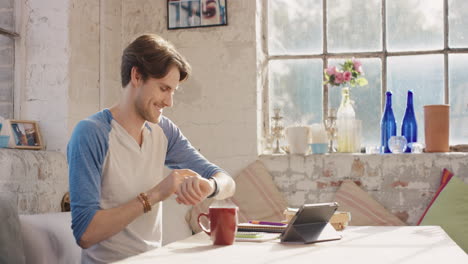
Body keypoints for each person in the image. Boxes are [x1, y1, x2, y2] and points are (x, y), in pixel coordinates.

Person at [67, 34, 236, 263]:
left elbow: (227, 182)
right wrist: (156, 194)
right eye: (163, 88)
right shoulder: (91, 133)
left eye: (173, 91)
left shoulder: (164, 130)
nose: (169, 102)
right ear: (136, 76)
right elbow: (85, 234)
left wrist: (210, 185)